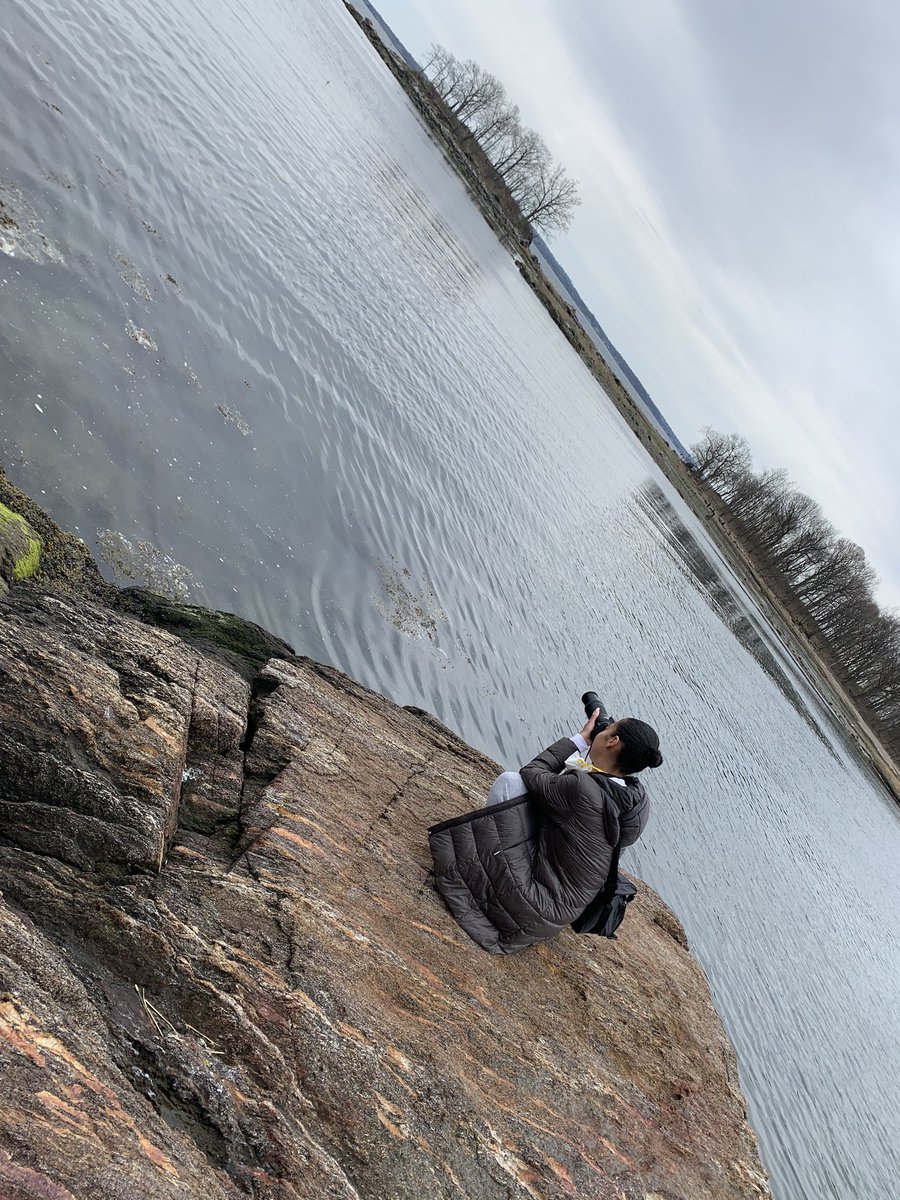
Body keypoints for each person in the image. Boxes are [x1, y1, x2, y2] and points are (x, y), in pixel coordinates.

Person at [428, 705, 662, 955]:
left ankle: (484, 869)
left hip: (524, 905)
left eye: (608, 730)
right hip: (555, 916)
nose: (602, 732)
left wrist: (580, 740)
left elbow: (532, 773)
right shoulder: (637, 801)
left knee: (512, 783)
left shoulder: (582, 788)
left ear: (613, 741)